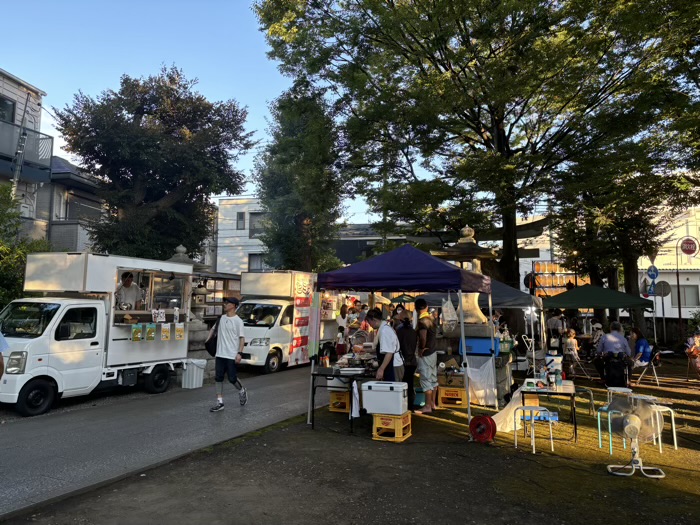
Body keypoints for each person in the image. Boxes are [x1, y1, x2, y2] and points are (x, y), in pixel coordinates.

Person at [209, 297, 248, 412]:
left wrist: (239, 353)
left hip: (231, 355)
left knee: (232, 378)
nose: (224, 304)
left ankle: (241, 391)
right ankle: (220, 403)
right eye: (225, 302)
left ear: (234, 306)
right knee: (218, 378)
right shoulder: (221, 318)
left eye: (227, 303)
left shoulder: (238, 321)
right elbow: (213, 330)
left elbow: (242, 339)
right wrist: (207, 341)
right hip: (220, 354)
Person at [365, 308, 403, 382]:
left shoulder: (385, 331)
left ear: (374, 320)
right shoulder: (383, 329)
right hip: (390, 364)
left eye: (369, 322)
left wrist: (381, 369)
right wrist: (366, 351)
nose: (369, 325)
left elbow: (389, 352)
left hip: (394, 366)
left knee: (394, 390)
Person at [414, 298, 438, 414]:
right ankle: (433, 403)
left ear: (415, 308)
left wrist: (421, 348)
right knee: (433, 378)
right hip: (433, 352)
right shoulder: (432, 318)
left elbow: (423, 337)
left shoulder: (423, 321)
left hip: (426, 353)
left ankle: (427, 406)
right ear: (427, 306)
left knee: (425, 379)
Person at [394, 310, 418, 409]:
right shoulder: (413, 331)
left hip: (402, 360)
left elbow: (396, 346)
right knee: (410, 384)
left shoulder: (398, 331)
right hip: (412, 361)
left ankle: (402, 405)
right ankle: (410, 405)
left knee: (401, 385)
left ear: (400, 319)